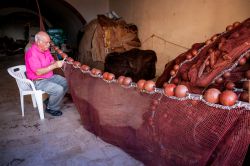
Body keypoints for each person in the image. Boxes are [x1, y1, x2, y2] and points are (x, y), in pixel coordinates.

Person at [25, 31, 68, 116]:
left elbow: (51, 61)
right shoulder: (31, 53)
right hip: (38, 80)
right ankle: (51, 108)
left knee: (66, 82)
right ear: (38, 42)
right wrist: (55, 66)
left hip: (49, 76)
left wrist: (57, 62)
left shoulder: (45, 50)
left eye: (49, 42)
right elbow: (38, 72)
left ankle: (50, 101)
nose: (48, 45)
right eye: (46, 43)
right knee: (58, 89)